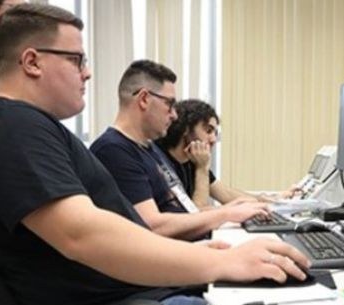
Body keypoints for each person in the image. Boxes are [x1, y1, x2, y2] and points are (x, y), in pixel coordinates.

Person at [0, 4, 309, 305]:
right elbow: (82, 235)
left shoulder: (31, 128)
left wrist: (207, 254)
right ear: (33, 61)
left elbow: (111, 228)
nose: (87, 72)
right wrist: (222, 264)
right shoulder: (6, 127)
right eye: (76, 59)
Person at [91, 60, 270, 241]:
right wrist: (225, 214)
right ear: (144, 99)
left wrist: (230, 209)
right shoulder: (114, 150)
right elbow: (152, 226)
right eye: (169, 104)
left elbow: (188, 211)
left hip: (192, 246)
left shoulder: (150, 149)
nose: (175, 115)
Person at [156, 99, 301, 208]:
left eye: (215, 133)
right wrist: (202, 169)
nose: (213, 139)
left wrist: (275, 200)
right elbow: (197, 216)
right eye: (208, 131)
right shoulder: (159, 161)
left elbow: (226, 194)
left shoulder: (192, 160)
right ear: (186, 128)